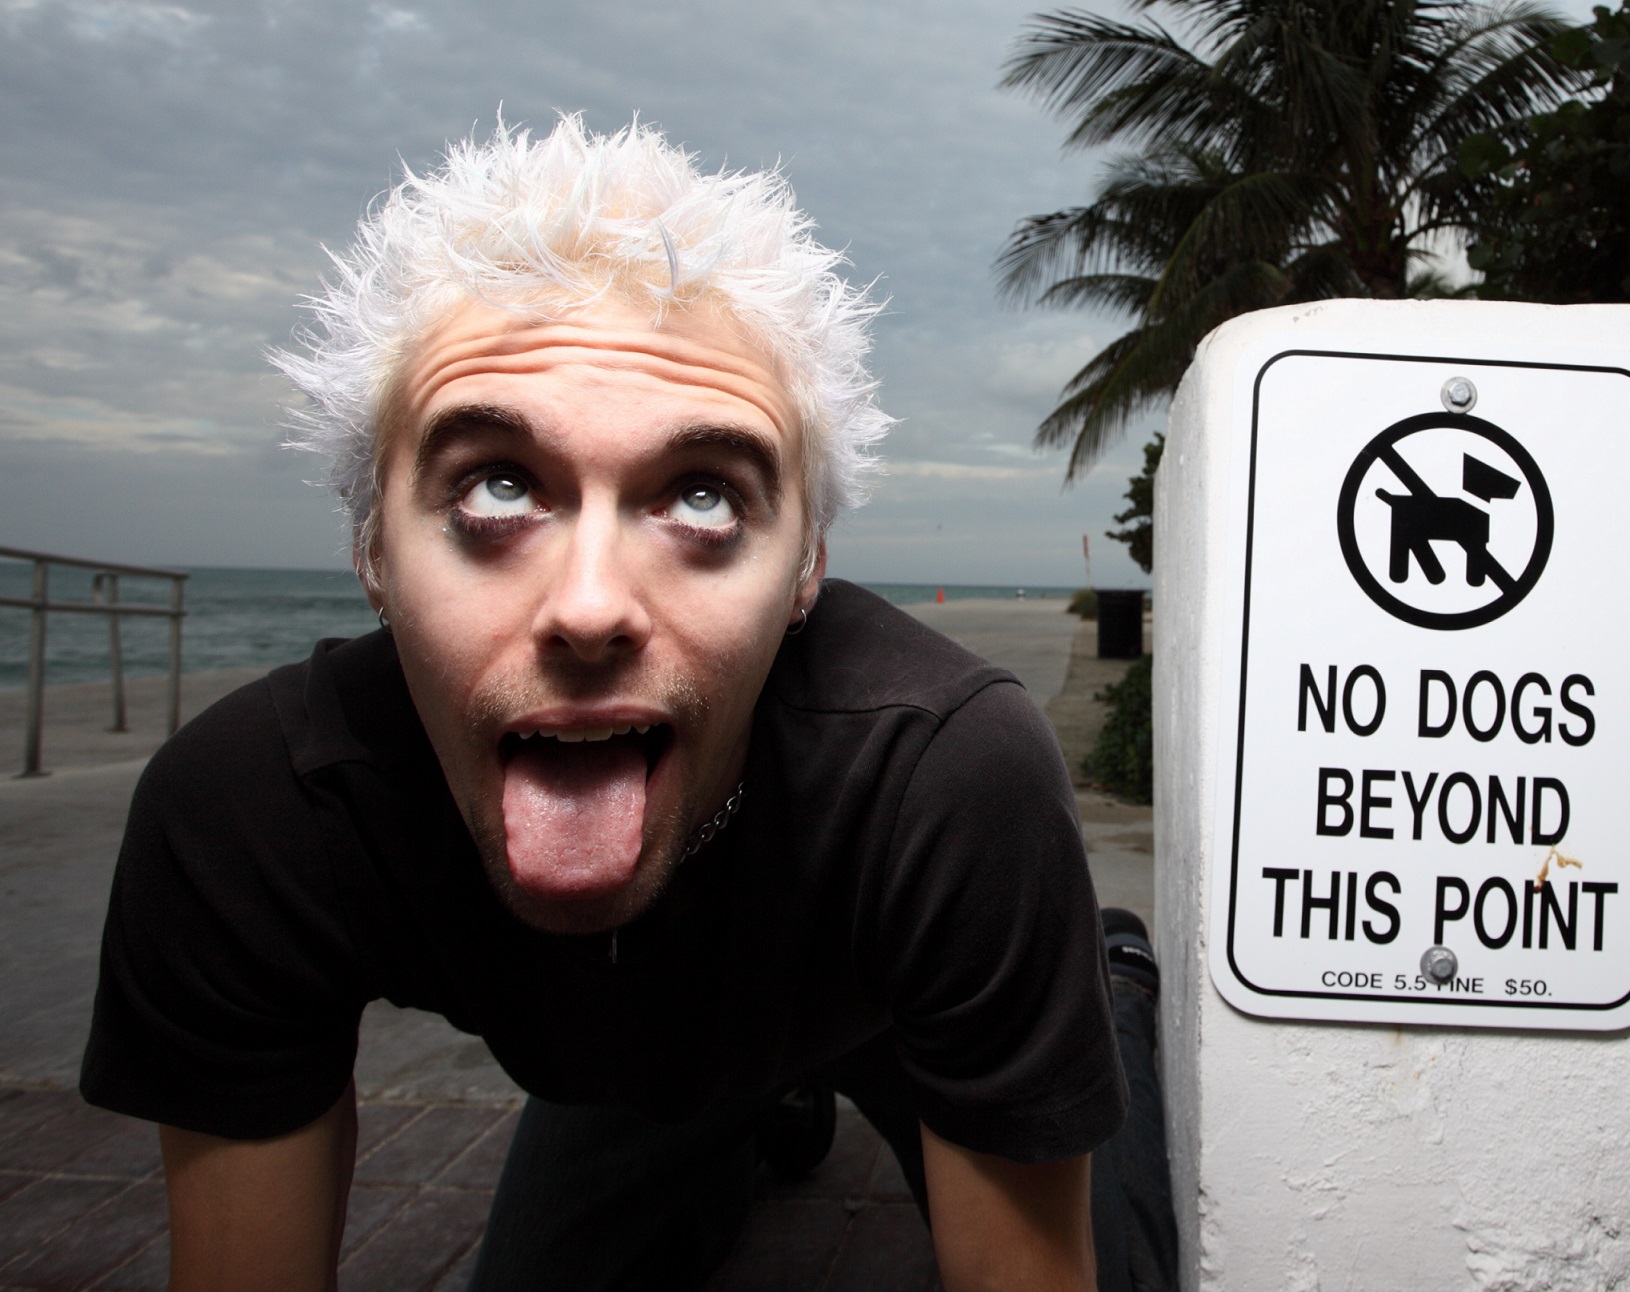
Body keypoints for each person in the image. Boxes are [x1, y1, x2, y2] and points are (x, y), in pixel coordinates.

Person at [80, 116, 1176, 1290]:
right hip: (646, 1057)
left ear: (807, 567)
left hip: (893, 1004)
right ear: (372, 547)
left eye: (702, 496)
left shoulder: (951, 779)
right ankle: (773, 1107)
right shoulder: (256, 810)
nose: (591, 607)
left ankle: (1106, 976)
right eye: (498, 485)